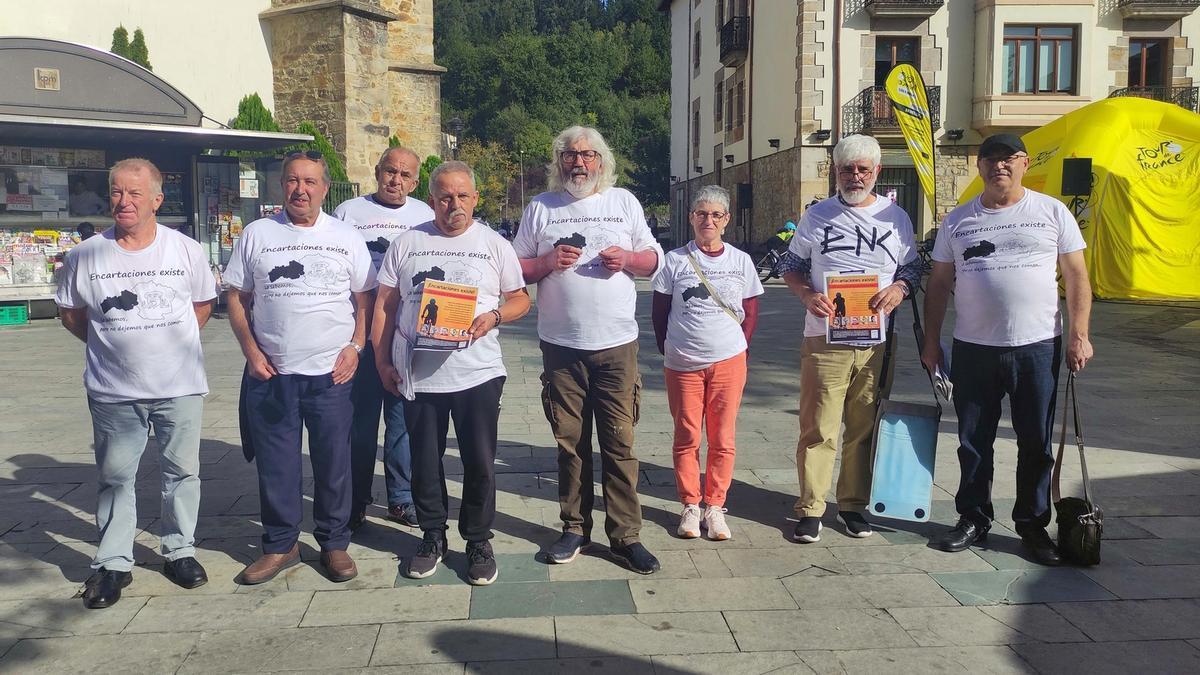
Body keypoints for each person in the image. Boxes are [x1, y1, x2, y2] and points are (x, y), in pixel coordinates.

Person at [922, 133, 1094, 566]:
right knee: (973, 441)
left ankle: (1032, 526)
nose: (1000, 166)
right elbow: (939, 284)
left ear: (1024, 163)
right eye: (991, 159)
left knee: (1035, 441)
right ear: (979, 167)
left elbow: (1076, 278)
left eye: (1009, 159)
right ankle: (974, 517)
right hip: (974, 348)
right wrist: (930, 341)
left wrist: (1079, 334)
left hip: (1036, 346)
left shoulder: (1051, 212)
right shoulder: (958, 221)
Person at [56, 158, 217, 608]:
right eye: (116, 192)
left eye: (135, 194)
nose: (123, 202)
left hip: (179, 387)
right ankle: (113, 563)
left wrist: (167, 344)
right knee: (114, 478)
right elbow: (70, 313)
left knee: (182, 474)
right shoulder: (85, 255)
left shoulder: (184, 249)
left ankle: (179, 550)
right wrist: (111, 343)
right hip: (114, 392)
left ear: (157, 201)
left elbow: (202, 304)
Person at [513, 125, 664, 574]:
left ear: (602, 161)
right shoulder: (541, 207)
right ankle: (575, 528)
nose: (579, 163)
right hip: (561, 347)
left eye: (588, 155)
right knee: (570, 443)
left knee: (619, 442)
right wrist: (544, 264)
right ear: (559, 163)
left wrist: (630, 260)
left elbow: (655, 258)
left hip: (617, 345)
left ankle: (625, 537)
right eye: (570, 155)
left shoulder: (623, 202)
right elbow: (512, 267)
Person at [372, 161, 530, 585]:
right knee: (425, 461)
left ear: (475, 199)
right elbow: (385, 305)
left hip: (477, 373)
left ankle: (477, 538)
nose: (453, 204)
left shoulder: (495, 244)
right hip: (419, 375)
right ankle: (432, 535)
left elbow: (520, 299)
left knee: (480, 462)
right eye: (444, 196)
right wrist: (383, 361)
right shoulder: (408, 242)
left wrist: (495, 316)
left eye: (462, 196)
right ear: (431, 200)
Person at [225, 151, 376, 585]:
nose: (300, 190)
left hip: (333, 374)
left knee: (334, 463)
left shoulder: (345, 236)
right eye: (293, 181)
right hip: (273, 373)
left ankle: (333, 544)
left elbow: (365, 298)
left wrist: (356, 346)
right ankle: (280, 545)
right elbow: (236, 296)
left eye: (310, 182)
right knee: (277, 464)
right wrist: (251, 353)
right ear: (281, 186)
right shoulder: (258, 233)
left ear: (325, 189)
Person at [780, 134, 921, 543]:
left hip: (876, 341)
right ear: (835, 172)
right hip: (825, 337)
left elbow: (912, 269)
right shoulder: (817, 216)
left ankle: (854, 505)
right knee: (818, 428)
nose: (854, 176)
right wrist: (806, 294)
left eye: (863, 169)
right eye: (847, 169)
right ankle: (810, 508)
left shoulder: (897, 219)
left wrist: (899, 290)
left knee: (863, 427)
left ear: (877, 172)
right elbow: (792, 265)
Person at [651, 185, 762, 541]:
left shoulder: (740, 261)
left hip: (728, 362)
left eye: (716, 215)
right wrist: (669, 346)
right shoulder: (674, 261)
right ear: (691, 218)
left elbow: (751, 310)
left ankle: (715, 506)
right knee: (687, 435)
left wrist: (739, 347)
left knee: (722, 437)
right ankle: (689, 504)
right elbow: (659, 311)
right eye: (701, 214)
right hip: (683, 362)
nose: (708, 221)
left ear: (726, 220)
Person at [334, 146, 434, 531]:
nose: (396, 180)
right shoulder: (349, 213)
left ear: (415, 180)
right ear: (377, 171)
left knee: (401, 421)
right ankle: (357, 498)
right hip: (358, 332)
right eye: (390, 171)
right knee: (359, 424)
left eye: (405, 175)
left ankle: (401, 498)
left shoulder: (424, 214)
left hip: (403, 334)